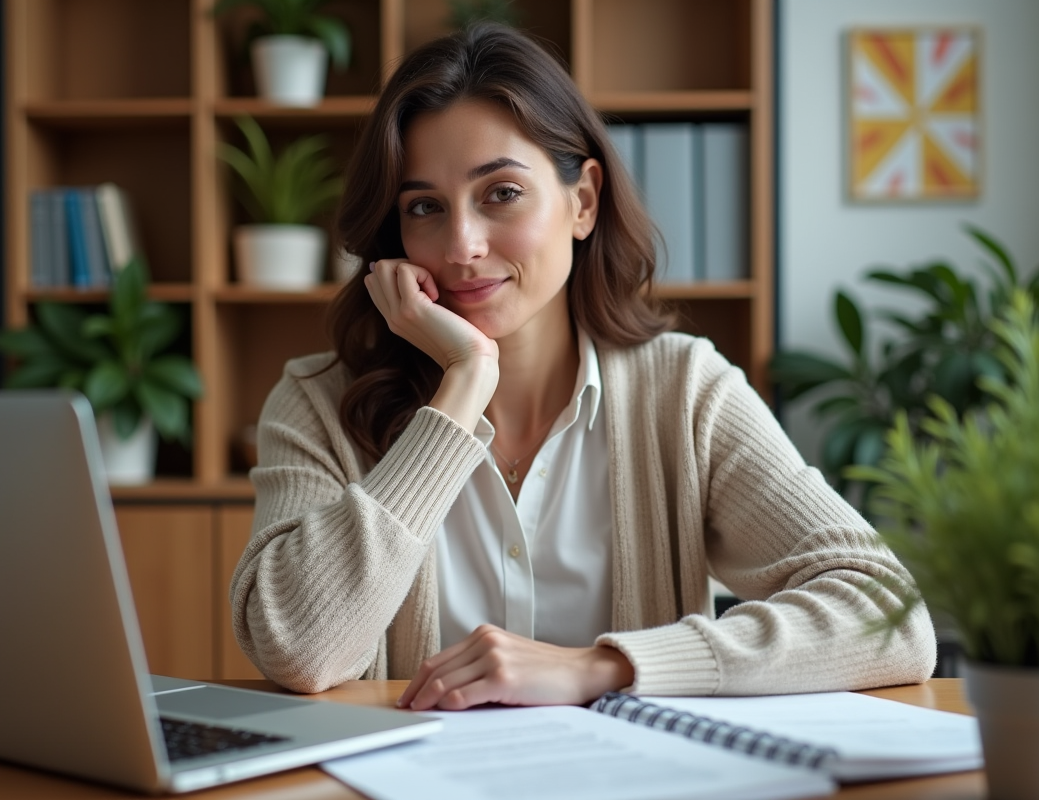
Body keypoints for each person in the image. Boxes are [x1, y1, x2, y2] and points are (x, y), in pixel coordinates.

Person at [230, 23, 936, 712]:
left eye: (500, 193)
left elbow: (890, 617)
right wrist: (463, 384)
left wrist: (603, 667)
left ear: (583, 201)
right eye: (425, 207)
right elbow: (298, 648)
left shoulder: (685, 393)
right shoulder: (318, 403)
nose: (462, 244)